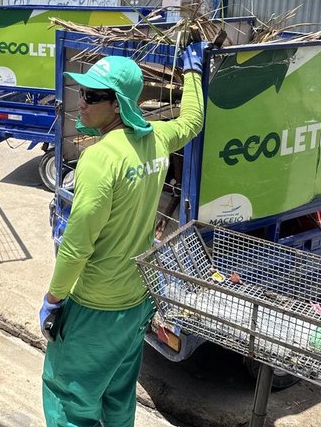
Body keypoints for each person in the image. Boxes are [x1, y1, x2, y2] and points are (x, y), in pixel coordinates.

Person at [40, 48, 205, 427]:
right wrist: (195, 70)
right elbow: (193, 120)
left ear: (118, 106)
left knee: (68, 397)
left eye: (93, 96)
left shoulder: (99, 159)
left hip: (95, 306)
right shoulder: (157, 139)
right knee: (117, 393)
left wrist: (53, 298)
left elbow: (78, 245)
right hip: (136, 301)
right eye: (81, 92)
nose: (80, 103)